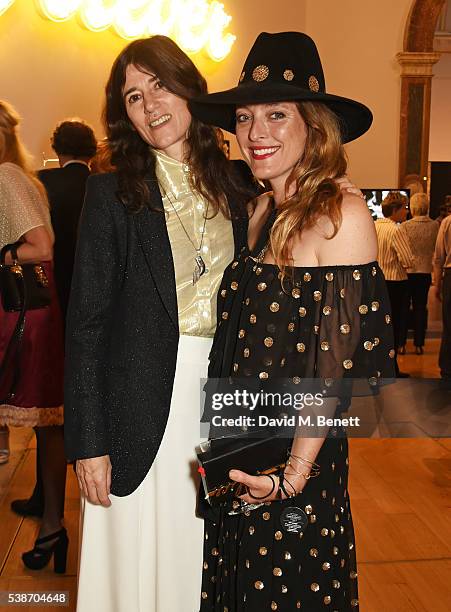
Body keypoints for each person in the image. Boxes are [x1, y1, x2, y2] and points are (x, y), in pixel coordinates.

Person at [64, 35, 361, 612]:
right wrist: (88, 442)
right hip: (137, 406)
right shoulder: (110, 194)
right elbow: (86, 328)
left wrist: (333, 193)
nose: (151, 106)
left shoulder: (243, 188)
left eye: (161, 85)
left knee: (208, 556)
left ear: (191, 91)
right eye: (132, 97)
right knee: (135, 558)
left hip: (230, 404)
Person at [189, 31, 396, 611]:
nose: (255, 133)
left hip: (294, 460)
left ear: (315, 124)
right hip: (237, 441)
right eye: (246, 116)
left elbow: (337, 371)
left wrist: (291, 476)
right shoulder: (258, 210)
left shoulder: (342, 214)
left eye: (277, 115)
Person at [10, 119, 97, 521]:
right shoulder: (103, 188)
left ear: (56, 147)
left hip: (41, 307)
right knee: (60, 412)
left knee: (48, 413)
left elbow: (40, 246)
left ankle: (47, 508)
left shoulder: (36, 181)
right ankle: (52, 507)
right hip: (87, 313)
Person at [0, 100, 67, 571]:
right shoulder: (22, 175)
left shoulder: (5, 176)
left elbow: (41, 245)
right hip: (34, 309)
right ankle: (52, 525)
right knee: (49, 422)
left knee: (49, 420)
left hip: (20, 313)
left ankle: (53, 525)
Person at [374, 191, 414, 375]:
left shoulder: (374, 226)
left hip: (375, 283)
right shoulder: (396, 230)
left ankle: (376, 367)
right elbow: (407, 260)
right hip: (395, 284)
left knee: (377, 327)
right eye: (404, 208)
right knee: (395, 327)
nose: (406, 212)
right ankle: (392, 368)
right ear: (396, 210)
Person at [402, 193, 439, 354]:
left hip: (407, 271)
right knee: (420, 307)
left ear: (412, 206)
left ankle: (401, 344)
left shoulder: (405, 226)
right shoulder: (435, 226)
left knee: (403, 308)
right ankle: (419, 344)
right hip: (425, 272)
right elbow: (436, 251)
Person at [433, 213, 451, 386]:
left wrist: (437, 284)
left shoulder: (447, 222)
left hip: (450, 277)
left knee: (449, 326)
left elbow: (439, 257)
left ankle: (447, 371)